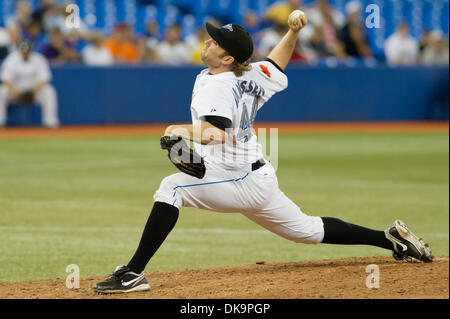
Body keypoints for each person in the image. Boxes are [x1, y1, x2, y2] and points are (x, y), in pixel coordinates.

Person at [93, 12, 433, 293]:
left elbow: (214, 133)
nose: (207, 41)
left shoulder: (218, 83)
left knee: (172, 187)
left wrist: (177, 130)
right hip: (252, 175)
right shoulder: (250, 72)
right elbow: (277, 64)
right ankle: (389, 240)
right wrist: (293, 31)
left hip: (239, 178)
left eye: (214, 41)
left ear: (227, 58)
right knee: (308, 230)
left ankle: (133, 274)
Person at [0, 40, 59, 128]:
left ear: (31, 50)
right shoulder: (11, 59)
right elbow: (5, 79)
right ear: (19, 50)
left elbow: (45, 79)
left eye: (27, 51)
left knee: (49, 91)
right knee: (2, 91)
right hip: (16, 90)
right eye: (23, 51)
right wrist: (16, 91)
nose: (25, 53)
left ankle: (50, 122)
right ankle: (1, 121)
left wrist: (33, 91)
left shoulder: (39, 59)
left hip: (34, 90)